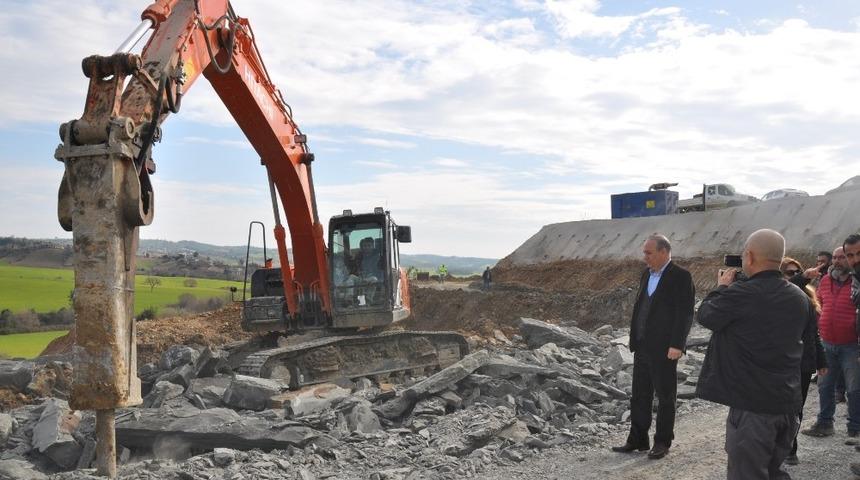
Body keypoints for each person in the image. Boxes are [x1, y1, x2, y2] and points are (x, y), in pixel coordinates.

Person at [696, 229, 813, 480]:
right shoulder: (799, 297)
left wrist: (722, 287)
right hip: (787, 405)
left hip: (753, 408)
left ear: (749, 257)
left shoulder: (741, 294)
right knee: (773, 472)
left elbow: (706, 315)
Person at [611, 234, 694, 460]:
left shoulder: (681, 276)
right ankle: (638, 439)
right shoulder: (645, 275)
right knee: (640, 394)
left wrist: (678, 344)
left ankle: (662, 442)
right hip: (642, 345)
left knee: (666, 396)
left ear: (664, 252)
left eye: (648, 253)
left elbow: (685, 313)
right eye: (644, 252)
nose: (644, 257)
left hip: (666, 348)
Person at [801, 246, 860, 438]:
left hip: (851, 344)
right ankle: (825, 423)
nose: (836, 261)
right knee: (825, 386)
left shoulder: (856, 282)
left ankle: (855, 428)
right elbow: (819, 304)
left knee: (854, 389)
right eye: (834, 258)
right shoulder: (825, 281)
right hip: (827, 343)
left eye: (842, 257)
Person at [780, 257, 827, 465]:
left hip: (802, 364)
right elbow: (786, 289)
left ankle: (791, 447)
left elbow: (813, 334)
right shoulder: (779, 297)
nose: (794, 276)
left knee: (796, 407)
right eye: (789, 272)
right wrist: (802, 277)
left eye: (796, 272)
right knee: (778, 407)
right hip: (780, 362)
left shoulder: (807, 298)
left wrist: (821, 359)